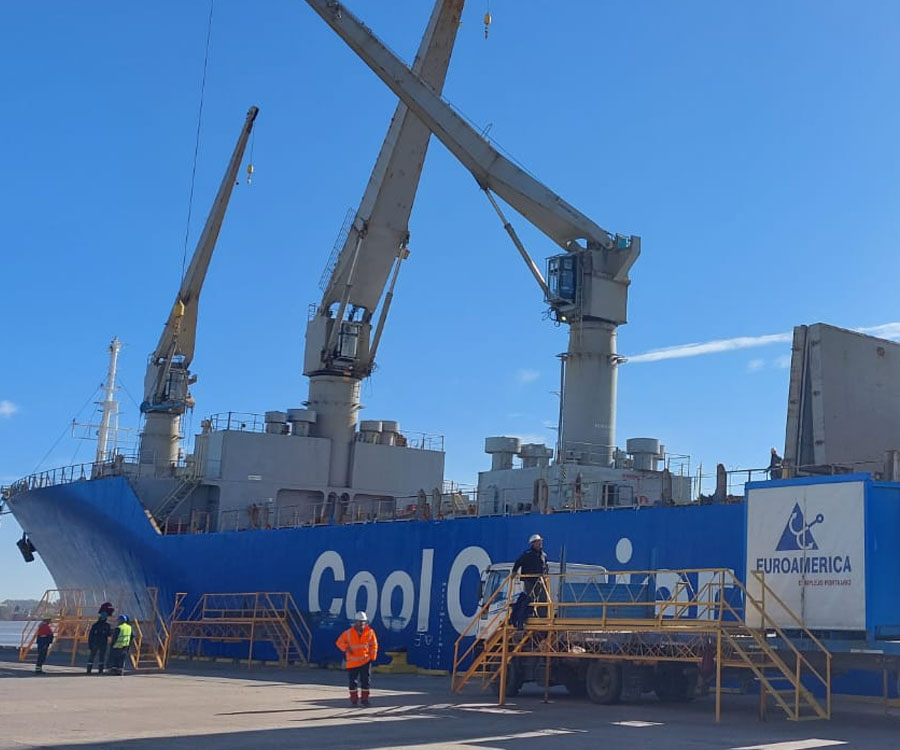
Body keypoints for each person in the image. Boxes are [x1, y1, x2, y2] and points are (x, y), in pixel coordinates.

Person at [335, 611, 378, 706]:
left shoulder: (370, 632)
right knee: (353, 682)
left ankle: (365, 700)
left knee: (365, 682)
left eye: (363, 622)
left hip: (365, 661)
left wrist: (372, 657)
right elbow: (339, 642)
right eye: (359, 621)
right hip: (353, 662)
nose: (361, 624)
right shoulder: (348, 633)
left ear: (366, 622)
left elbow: (374, 645)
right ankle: (354, 700)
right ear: (355, 622)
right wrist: (346, 648)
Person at [513, 533, 549, 617]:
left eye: (540, 541)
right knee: (530, 598)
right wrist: (514, 572)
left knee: (543, 599)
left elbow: (545, 567)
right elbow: (518, 562)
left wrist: (546, 575)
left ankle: (542, 617)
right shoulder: (527, 554)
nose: (540, 543)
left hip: (540, 581)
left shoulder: (543, 555)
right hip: (529, 580)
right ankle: (529, 614)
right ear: (532, 543)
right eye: (537, 542)